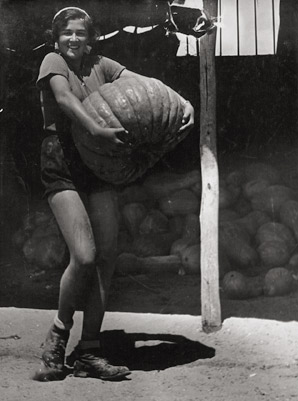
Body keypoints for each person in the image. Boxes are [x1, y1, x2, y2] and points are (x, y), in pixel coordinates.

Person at [35, 6, 194, 381]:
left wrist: (176, 107)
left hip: (103, 165)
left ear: (91, 38)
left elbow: (142, 87)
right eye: (67, 33)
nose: (74, 39)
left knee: (107, 257)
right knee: (85, 256)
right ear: (57, 37)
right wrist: (97, 130)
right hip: (64, 165)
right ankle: (58, 336)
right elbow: (64, 100)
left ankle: (89, 352)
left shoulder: (102, 65)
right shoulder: (52, 61)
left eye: (81, 33)